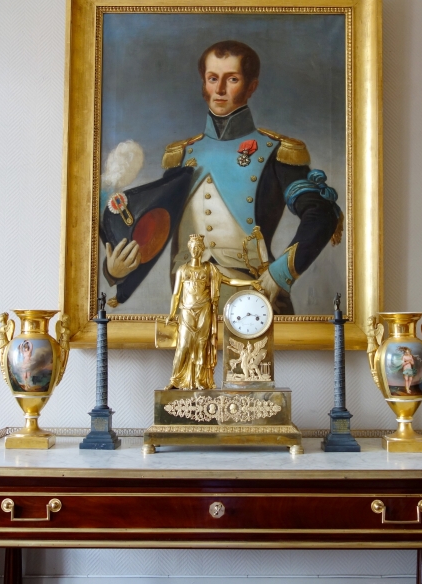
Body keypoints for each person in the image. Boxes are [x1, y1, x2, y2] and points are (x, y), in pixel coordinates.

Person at [105, 40, 342, 313]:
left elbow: (322, 214)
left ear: (251, 86)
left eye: (231, 79)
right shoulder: (180, 156)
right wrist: (116, 271)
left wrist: (281, 274)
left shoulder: (276, 152)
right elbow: (153, 230)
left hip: (256, 302)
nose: (219, 90)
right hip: (189, 304)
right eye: (212, 79)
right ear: (203, 84)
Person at [164, 234, 260, 390]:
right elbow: (176, 294)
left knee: (202, 346)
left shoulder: (209, 269)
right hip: (187, 312)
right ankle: (175, 379)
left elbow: (229, 280)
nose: (195, 250)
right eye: (193, 247)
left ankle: (199, 380)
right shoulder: (183, 270)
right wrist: (171, 314)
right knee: (183, 346)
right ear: (189, 248)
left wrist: (251, 282)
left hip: (204, 311)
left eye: (198, 247)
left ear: (202, 250)